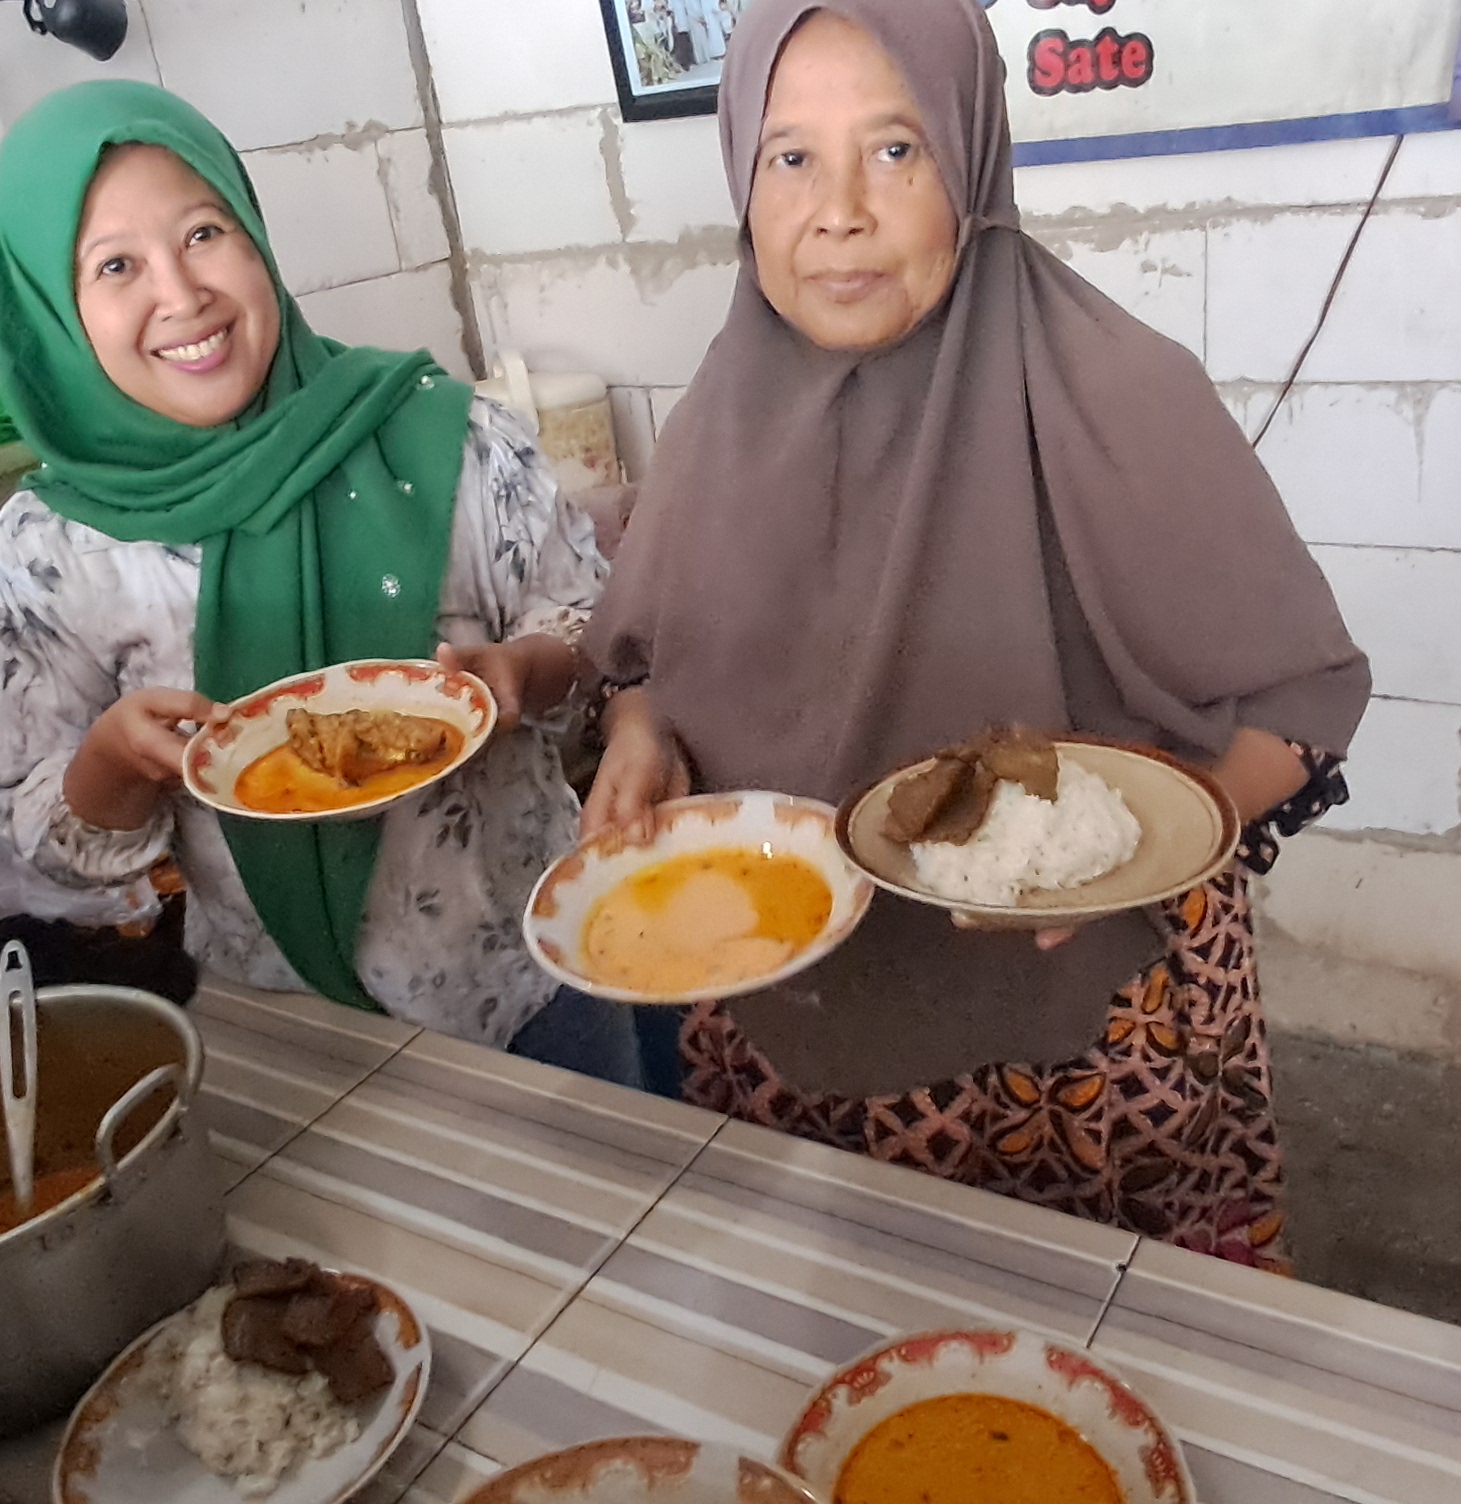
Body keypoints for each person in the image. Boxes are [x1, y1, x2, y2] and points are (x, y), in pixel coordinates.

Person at [583, 0, 1372, 1269]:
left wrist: (1152, 844)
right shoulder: (719, 419)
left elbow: (1307, 701)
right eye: (791, 156)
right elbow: (647, 665)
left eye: (897, 150)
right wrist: (639, 733)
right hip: (794, 1022)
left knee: (1114, 1388)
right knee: (843, 1379)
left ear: (974, 157)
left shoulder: (1119, 390)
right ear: (740, 175)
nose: (840, 208)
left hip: (1092, 1049)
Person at [0, 81, 638, 1086]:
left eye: (204, 233)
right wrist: (113, 759)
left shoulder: (446, 436)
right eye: (115, 266)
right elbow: (47, 844)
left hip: (536, 972)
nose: (182, 294)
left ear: (254, 236)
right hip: (286, 1026)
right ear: (49, 313)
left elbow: (590, 625)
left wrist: (523, 670)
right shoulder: (45, 555)